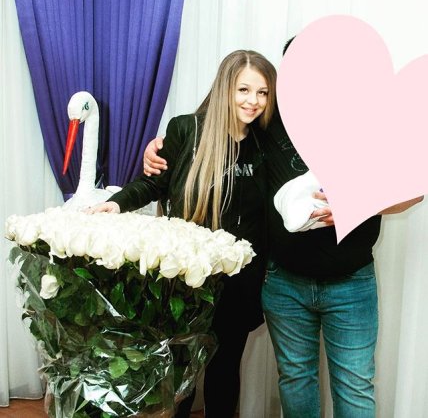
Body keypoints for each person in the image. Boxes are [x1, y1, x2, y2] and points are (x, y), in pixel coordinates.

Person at [142, 39, 423, 418]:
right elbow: (218, 121)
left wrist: (356, 203)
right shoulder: (269, 122)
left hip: (351, 284)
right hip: (284, 282)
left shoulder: (367, 121)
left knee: (355, 385)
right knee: (295, 379)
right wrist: (162, 147)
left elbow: (412, 190)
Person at [90, 49, 277, 418]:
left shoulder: (265, 142)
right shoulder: (185, 131)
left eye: (262, 92)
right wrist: (116, 203)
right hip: (186, 280)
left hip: (240, 281)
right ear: (225, 88)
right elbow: (152, 184)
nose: (253, 101)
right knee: (180, 375)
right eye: (244, 90)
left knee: (225, 368)